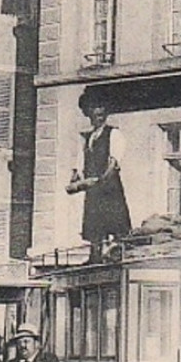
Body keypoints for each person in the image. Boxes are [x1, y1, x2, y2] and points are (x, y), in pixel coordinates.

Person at [67, 91, 132, 259]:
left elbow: (113, 163)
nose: (99, 118)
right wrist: (76, 179)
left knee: (115, 221)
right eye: (96, 114)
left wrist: (102, 180)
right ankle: (94, 257)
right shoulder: (89, 138)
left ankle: (116, 255)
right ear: (89, 114)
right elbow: (80, 166)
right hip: (93, 189)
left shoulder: (114, 134)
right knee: (94, 225)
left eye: (102, 114)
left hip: (109, 188)